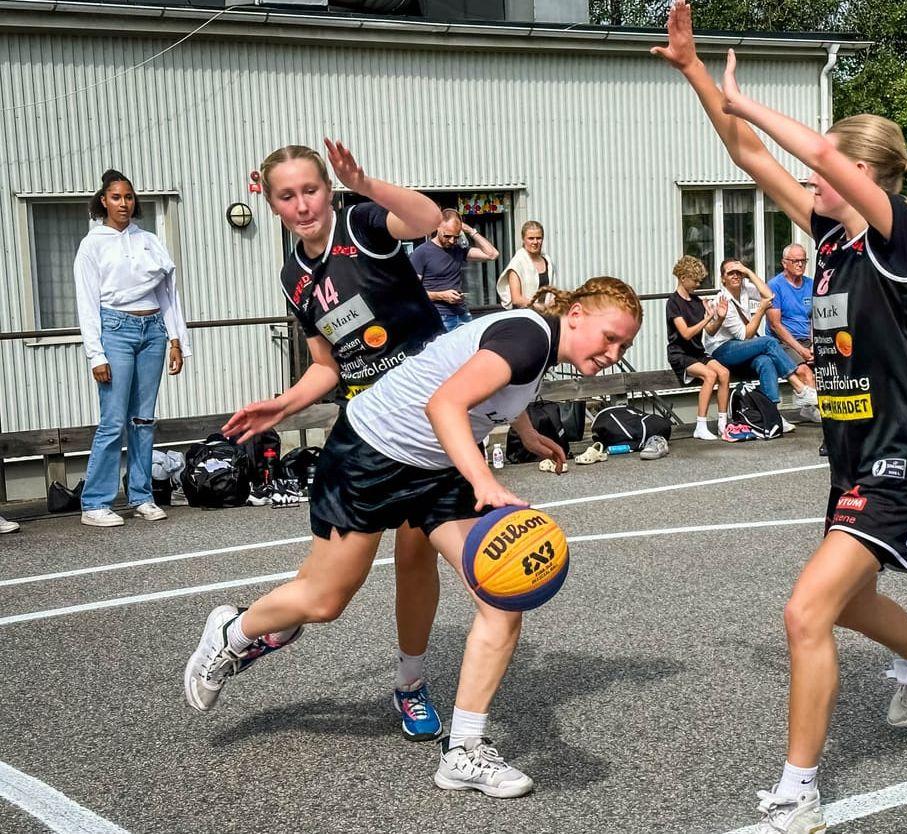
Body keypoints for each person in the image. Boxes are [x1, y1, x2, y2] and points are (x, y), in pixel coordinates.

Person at [655, 4, 907, 830]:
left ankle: (798, 794)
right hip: (851, 449)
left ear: (865, 177)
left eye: (824, 174)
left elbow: (813, 151)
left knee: (804, 612)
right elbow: (747, 154)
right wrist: (697, 75)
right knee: (848, 602)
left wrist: (747, 96)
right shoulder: (830, 238)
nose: (808, 183)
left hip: (902, 451)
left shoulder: (892, 237)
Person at [186, 277, 643, 797]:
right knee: (323, 600)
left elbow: (493, 385)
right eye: (609, 338)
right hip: (370, 454)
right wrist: (486, 482)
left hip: (436, 467)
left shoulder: (539, 344)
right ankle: (233, 633)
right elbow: (445, 405)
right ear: (577, 314)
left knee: (503, 594)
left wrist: (527, 433)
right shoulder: (531, 337)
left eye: (624, 347)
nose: (613, 353)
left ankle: (464, 751)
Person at [218, 140, 451, 742]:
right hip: (369, 425)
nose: (303, 205)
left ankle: (411, 684)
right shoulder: (293, 274)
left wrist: (366, 182)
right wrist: (284, 404)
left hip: (429, 413)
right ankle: (256, 624)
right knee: (329, 593)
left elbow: (428, 221)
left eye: (311, 190)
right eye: (287, 196)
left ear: (328, 188)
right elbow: (327, 365)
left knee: (417, 552)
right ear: (270, 204)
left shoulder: (361, 221)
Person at [74, 169, 189, 528]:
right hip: (116, 330)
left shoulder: (149, 240)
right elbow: (87, 302)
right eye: (116, 197)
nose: (124, 203)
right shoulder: (93, 244)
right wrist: (96, 353)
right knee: (112, 421)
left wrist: (176, 340)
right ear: (103, 201)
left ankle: (142, 495)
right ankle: (95, 502)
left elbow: (168, 295)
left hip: (153, 329)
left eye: (128, 197)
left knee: (143, 420)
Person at [703, 258, 819, 428]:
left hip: (741, 348)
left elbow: (769, 295)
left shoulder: (744, 289)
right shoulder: (722, 301)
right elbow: (745, 334)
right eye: (730, 273)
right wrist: (761, 310)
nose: (735, 276)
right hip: (722, 351)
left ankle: (772, 414)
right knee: (769, 342)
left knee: (766, 361)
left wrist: (748, 272)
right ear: (723, 279)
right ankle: (799, 388)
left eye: (738, 273)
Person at [666, 255, 734, 440]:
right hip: (680, 354)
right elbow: (686, 333)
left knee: (724, 373)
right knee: (710, 375)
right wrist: (706, 318)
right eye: (695, 280)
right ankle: (701, 425)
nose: (697, 284)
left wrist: (718, 317)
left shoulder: (697, 302)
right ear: (682, 278)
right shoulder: (673, 303)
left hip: (697, 352)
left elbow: (710, 331)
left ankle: (722, 423)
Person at [410, 209, 499, 331]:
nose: (452, 241)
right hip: (439, 316)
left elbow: (492, 254)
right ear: (438, 227)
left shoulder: (458, 249)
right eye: (447, 236)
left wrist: (470, 231)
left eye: (456, 237)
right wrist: (440, 296)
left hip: (462, 313)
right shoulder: (421, 253)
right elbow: (412, 294)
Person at [767, 243, 818, 401]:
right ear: (784, 263)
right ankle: (821, 415)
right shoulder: (775, 286)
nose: (800, 264)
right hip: (784, 342)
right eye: (795, 261)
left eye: (803, 260)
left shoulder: (811, 284)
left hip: (808, 340)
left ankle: (810, 409)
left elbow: (815, 318)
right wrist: (801, 351)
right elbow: (775, 325)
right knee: (805, 372)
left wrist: (814, 345)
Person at [497, 220, 554, 310]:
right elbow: (516, 299)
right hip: (524, 316)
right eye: (531, 238)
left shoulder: (547, 261)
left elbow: (552, 292)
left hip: (547, 314)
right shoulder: (517, 263)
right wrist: (540, 307)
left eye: (539, 238)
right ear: (523, 239)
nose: (535, 242)